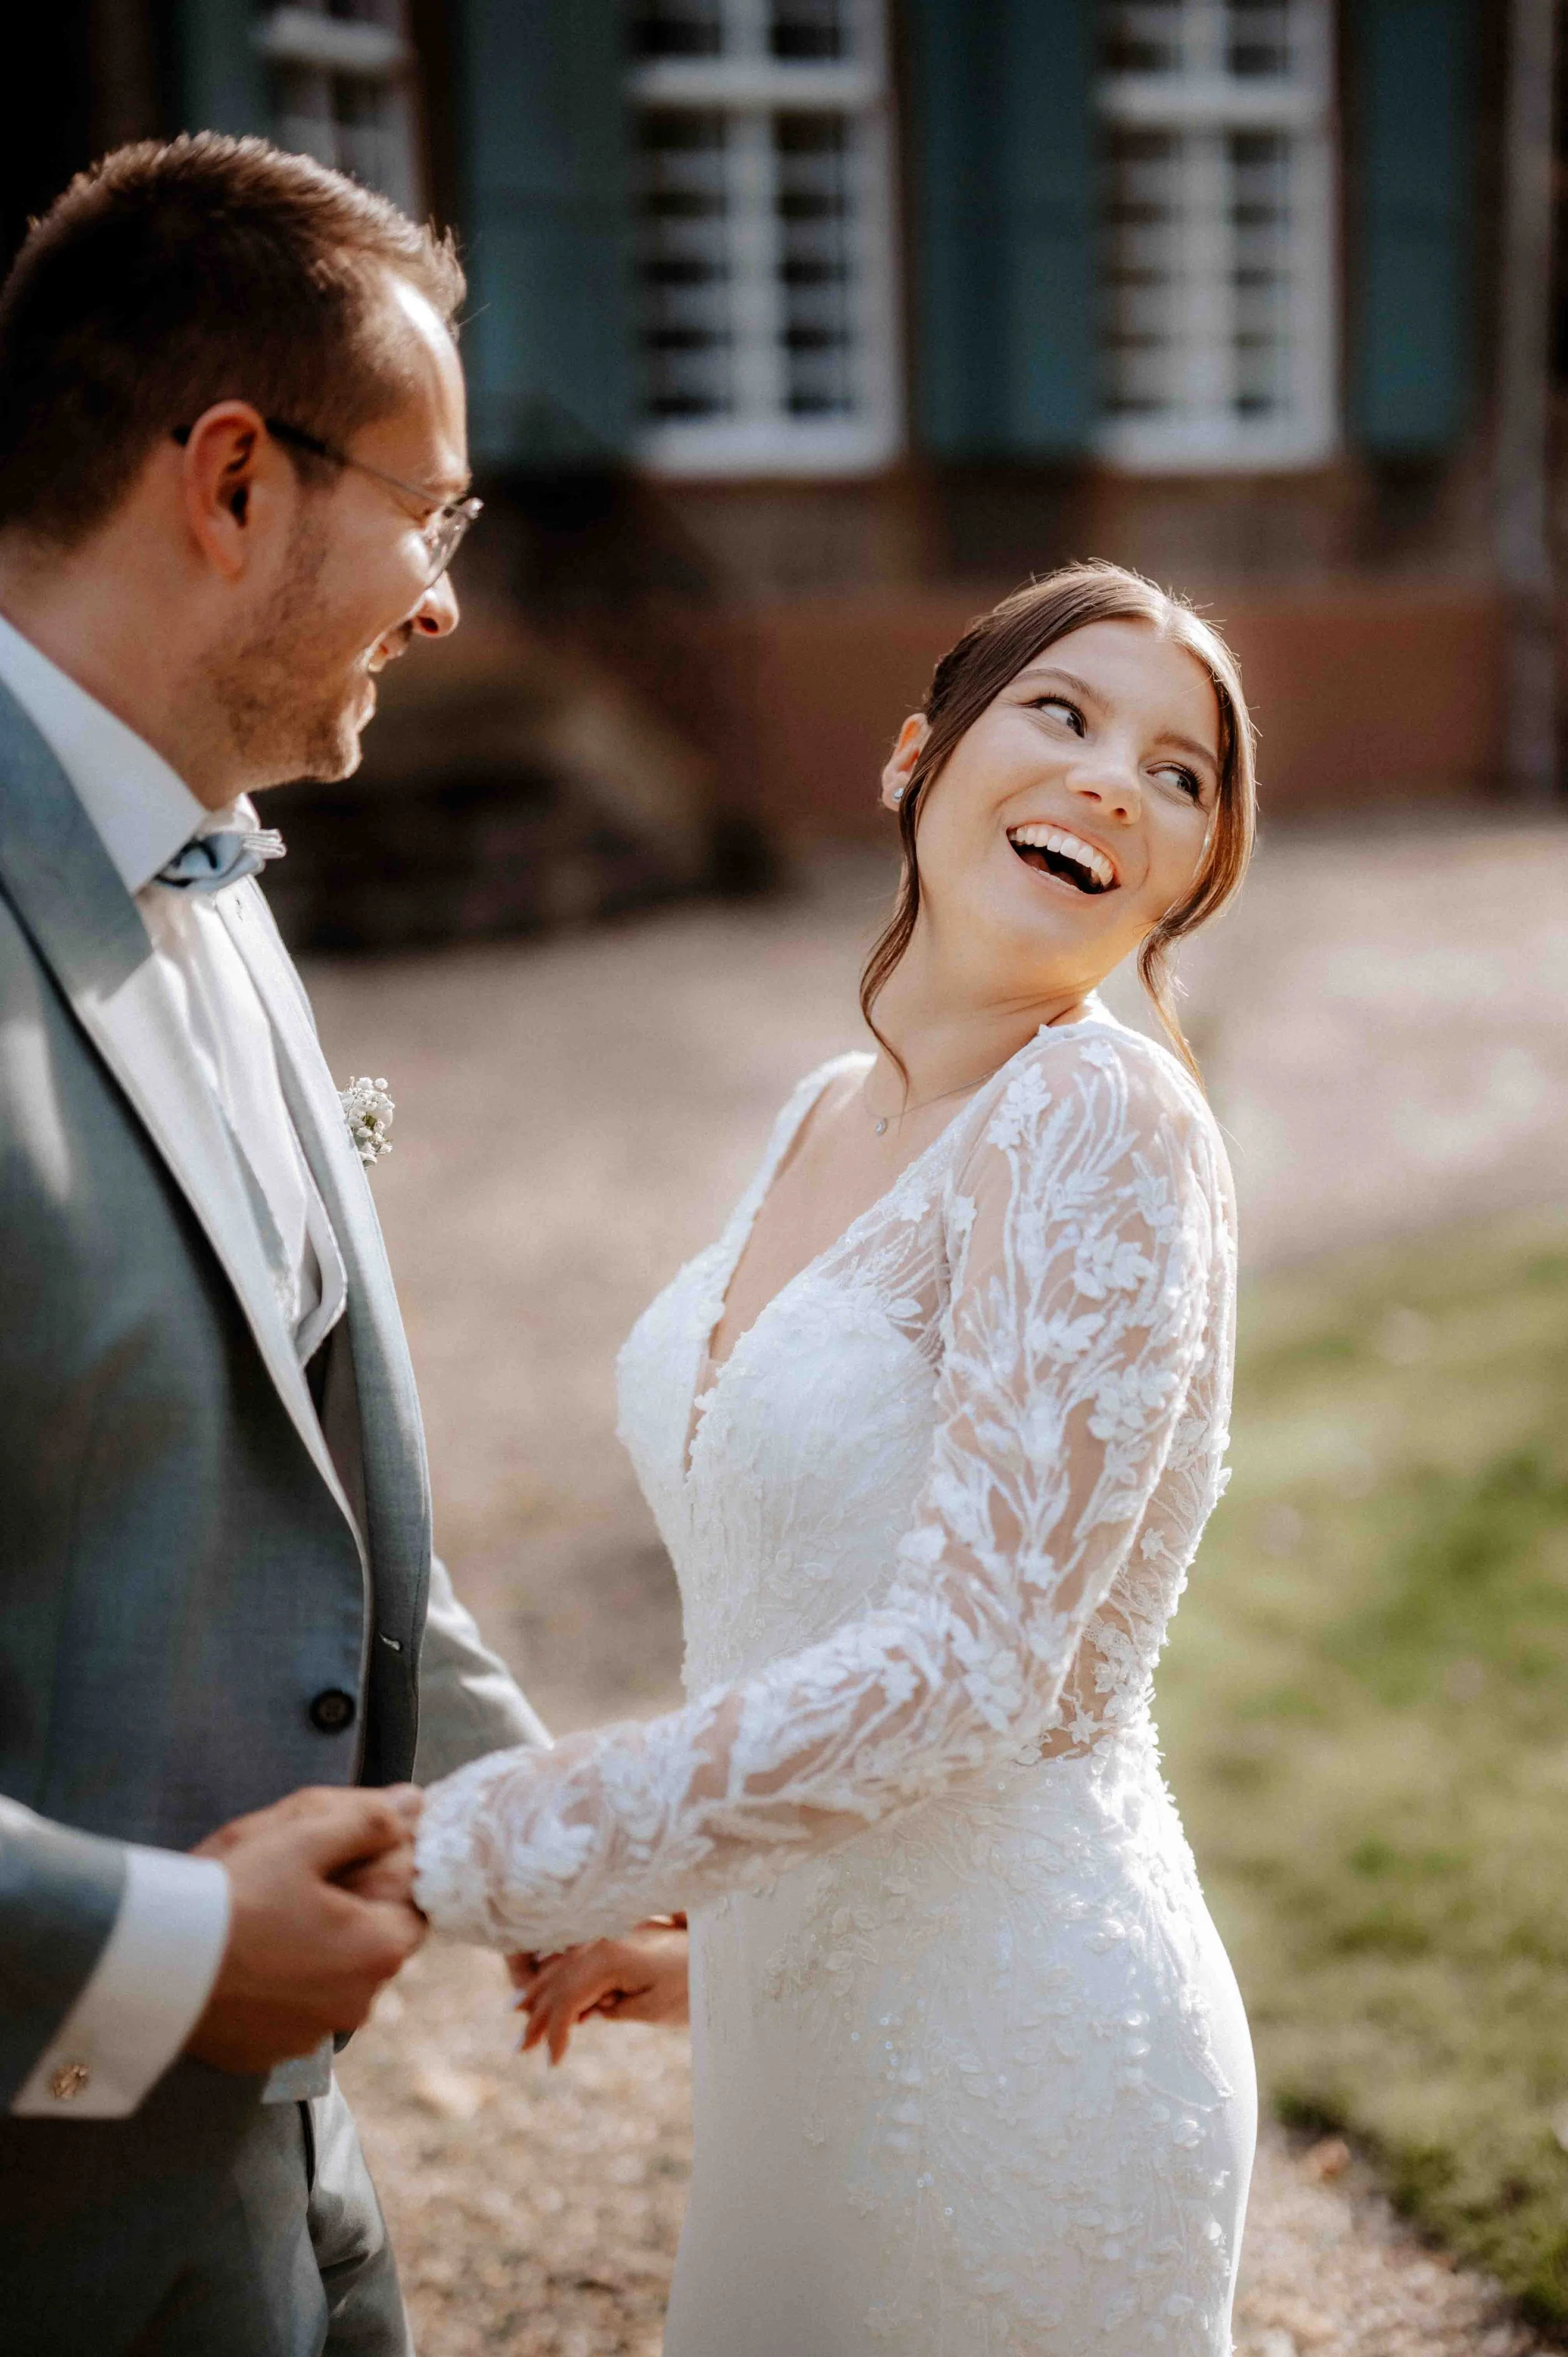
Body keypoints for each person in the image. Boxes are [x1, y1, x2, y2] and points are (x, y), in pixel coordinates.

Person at [417, 563, 1259, 2354]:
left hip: (1019, 2057)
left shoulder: (1099, 1118)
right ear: (912, 760)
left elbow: (973, 1671)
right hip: (804, 2033)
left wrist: (505, 1840)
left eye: (1179, 775)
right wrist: (728, 1942)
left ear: (1184, 876)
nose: (1114, 777)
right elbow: (806, 1600)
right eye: (1063, 712)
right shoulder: (827, 1105)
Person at [0, 137, 550, 2354]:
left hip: (280, 2204)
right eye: (432, 514)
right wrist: (156, 1951)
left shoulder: (213, 861)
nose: (443, 600)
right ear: (230, 479)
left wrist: (565, 1828)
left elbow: (287, 1485)